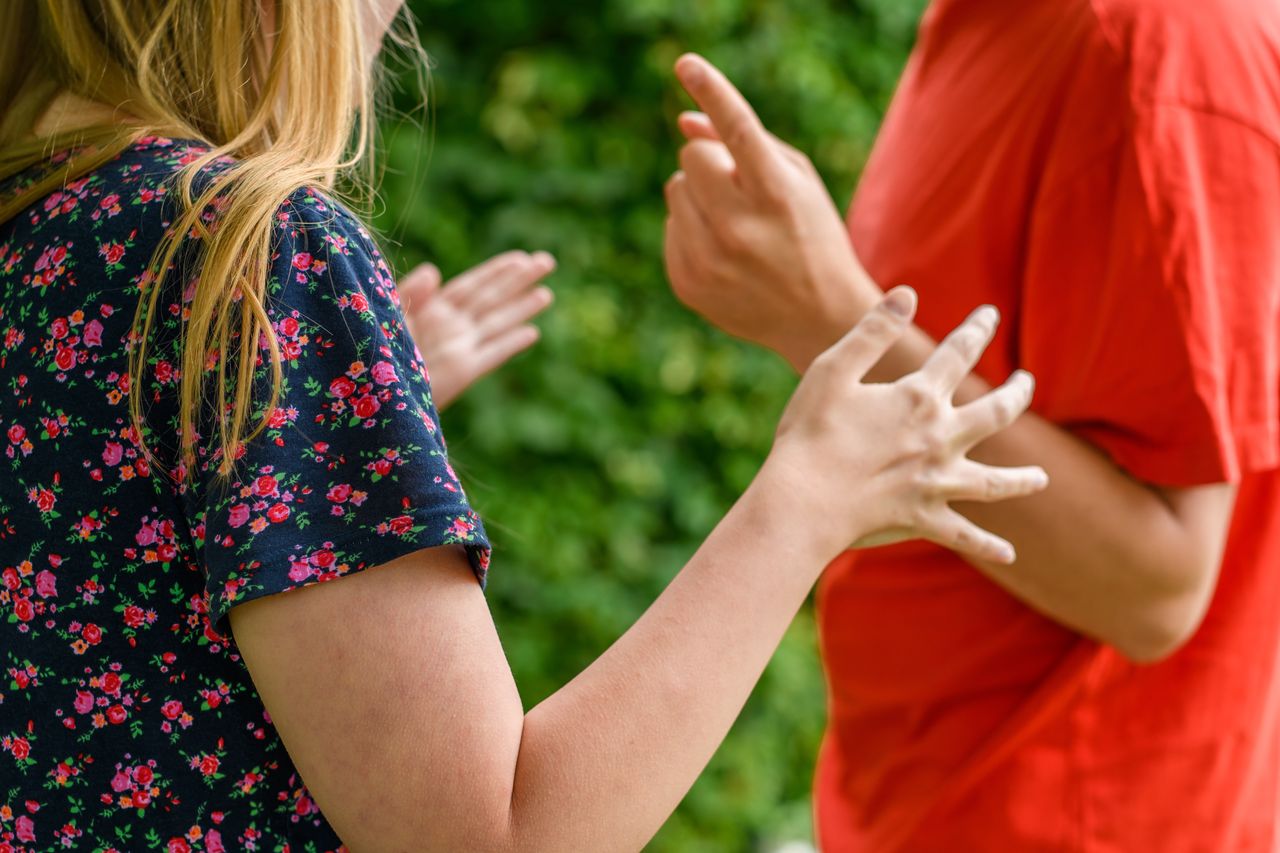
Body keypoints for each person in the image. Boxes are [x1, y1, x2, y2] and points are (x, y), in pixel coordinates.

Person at [0, 2, 1048, 850]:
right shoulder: (245, 254)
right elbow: (497, 836)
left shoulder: (47, 235)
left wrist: (317, 429)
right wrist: (804, 501)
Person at [663, 0, 1280, 846]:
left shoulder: (1160, 45)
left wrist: (828, 318)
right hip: (917, 805)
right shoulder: (980, 21)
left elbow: (1162, 587)